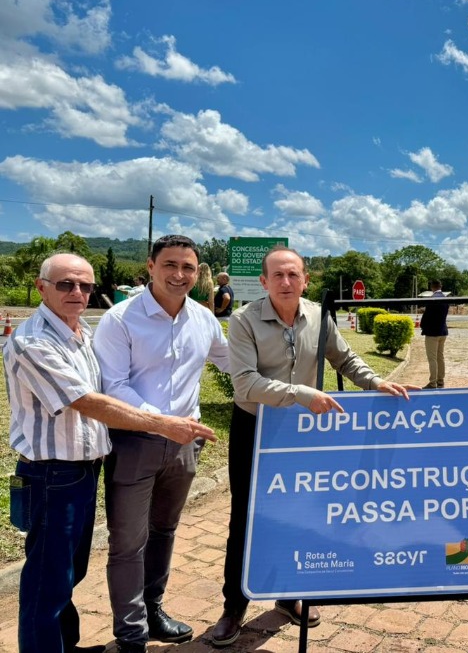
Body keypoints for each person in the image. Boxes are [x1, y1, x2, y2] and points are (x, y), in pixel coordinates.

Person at [3, 253, 216, 653]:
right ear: (41, 287)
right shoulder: (33, 341)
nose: (77, 292)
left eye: (85, 285)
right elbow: (87, 401)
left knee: (68, 571)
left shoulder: (80, 331)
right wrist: (162, 424)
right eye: (65, 284)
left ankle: (64, 645)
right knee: (47, 580)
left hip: (84, 470)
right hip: (50, 473)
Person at [211, 246, 417, 647]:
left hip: (303, 433)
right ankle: (233, 605)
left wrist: (375, 382)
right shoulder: (243, 320)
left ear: (306, 280)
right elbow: (245, 383)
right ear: (264, 281)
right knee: (247, 517)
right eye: (277, 275)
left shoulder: (320, 317)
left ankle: (289, 594)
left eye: (293, 275)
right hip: (256, 428)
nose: (286, 282)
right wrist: (303, 394)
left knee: (300, 513)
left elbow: (345, 358)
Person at [93, 235, 230, 653]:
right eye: (170, 265)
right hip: (134, 441)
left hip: (185, 445)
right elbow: (113, 386)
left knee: (164, 530)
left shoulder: (203, 319)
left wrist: (289, 384)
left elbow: (232, 362)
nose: (179, 275)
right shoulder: (120, 319)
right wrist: (162, 423)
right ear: (150, 267)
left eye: (188, 267)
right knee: (127, 542)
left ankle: (153, 610)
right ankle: (131, 634)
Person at [421, 278, 449, 388]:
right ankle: (440, 380)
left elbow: (426, 316)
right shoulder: (445, 299)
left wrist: (423, 326)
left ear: (432, 287)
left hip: (432, 332)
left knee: (432, 358)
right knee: (440, 357)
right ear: (441, 286)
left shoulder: (432, 299)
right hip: (443, 331)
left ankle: (433, 382)